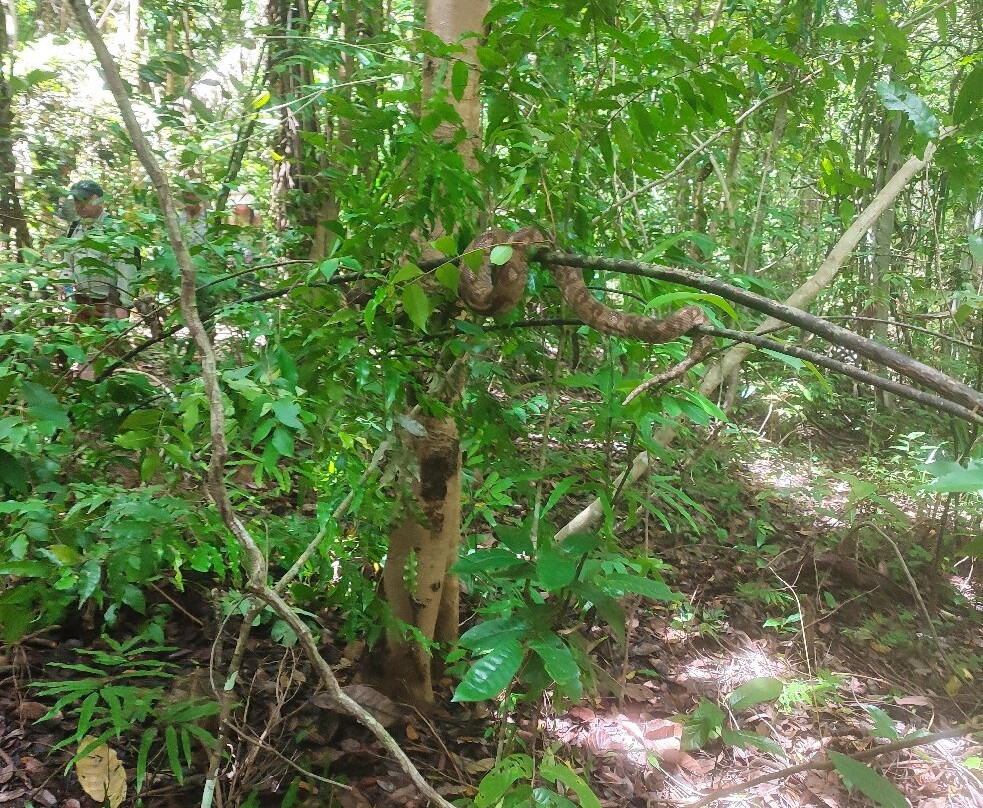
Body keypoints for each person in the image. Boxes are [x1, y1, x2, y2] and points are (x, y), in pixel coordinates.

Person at [65, 180, 138, 325]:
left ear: (99, 200)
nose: (79, 205)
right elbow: (66, 266)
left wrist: (124, 305)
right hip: (80, 303)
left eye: (84, 200)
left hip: (107, 304)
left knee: (108, 346)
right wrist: (68, 295)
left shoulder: (116, 230)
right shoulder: (74, 229)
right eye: (76, 200)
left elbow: (127, 271)